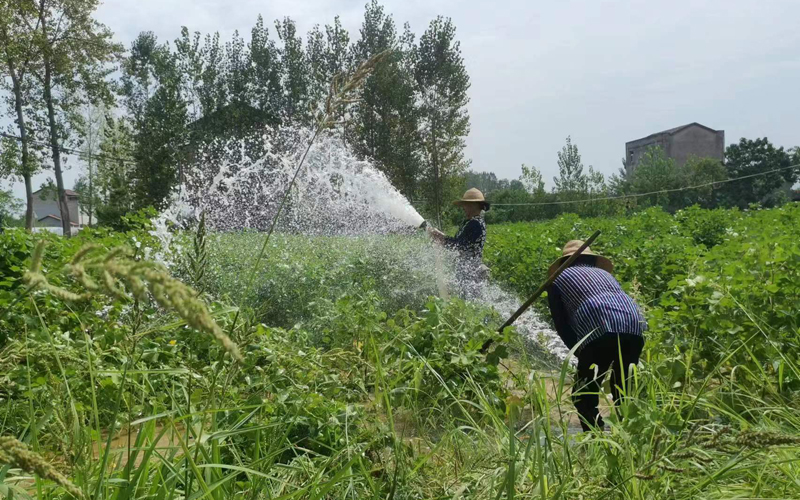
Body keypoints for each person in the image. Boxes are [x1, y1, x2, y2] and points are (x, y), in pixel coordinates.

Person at [546, 240, 646, 431]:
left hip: (600, 326)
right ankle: (633, 437)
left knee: (583, 393)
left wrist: (579, 352)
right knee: (623, 387)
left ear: (564, 262)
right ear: (591, 260)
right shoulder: (603, 274)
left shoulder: (557, 280)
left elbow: (562, 325)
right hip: (635, 324)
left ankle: (596, 442)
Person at [427, 188, 490, 296]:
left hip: (470, 272)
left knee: (469, 301)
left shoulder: (475, 224)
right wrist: (442, 237)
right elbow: (459, 242)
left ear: (473, 206)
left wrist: (442, 238)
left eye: (465, 205)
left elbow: (460, 246)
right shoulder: (471, 222)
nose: (464, 208)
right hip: (466, 270)